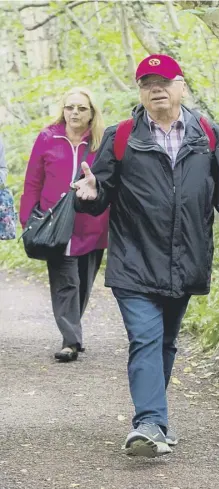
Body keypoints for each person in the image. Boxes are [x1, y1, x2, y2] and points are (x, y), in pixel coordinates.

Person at [74, 54, 219, 457]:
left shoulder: (208, 135)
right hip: (133, 257)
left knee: (166, 342)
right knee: (145, 338)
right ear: (140, 92)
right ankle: (150, 423)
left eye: (164, 81)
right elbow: (100, 188)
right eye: (147, 83)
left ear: (181, 87)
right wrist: (90, 195)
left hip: (185, 257)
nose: (156, 88)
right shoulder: (122, 136)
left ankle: (156, 420)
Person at [20, 87, 109, 362]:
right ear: (63, 109)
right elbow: (33, 179)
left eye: (82, 108)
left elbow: (111, 180)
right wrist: (28, 218)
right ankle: (70, 341)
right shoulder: (48, 137)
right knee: (65, 281)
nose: (75, 112)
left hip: (92, 222)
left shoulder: (101, 141)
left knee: (83, 282)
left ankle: (73, 330)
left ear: (92, 112)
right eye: (70, 107)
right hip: (55, 222)